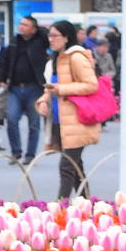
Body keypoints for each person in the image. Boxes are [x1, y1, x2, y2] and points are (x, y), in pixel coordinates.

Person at [37, 19, 100, 200]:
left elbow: (91, 85)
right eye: (49, 35)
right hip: (59, 120)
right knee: (76, 167)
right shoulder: (55, 60)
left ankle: (60, 209)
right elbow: (50, 88)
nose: (51, 39)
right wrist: (43, 100)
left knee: (66, 167)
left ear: (66, 37)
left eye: (55, 35)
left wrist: (62, 90)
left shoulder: (76, 57)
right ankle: (89, 205)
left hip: (77, 121)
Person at [0, 15, 48, 164]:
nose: (21, 27)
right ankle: (16, 152)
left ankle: (30, 154)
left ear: (33, 29)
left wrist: (38, 30)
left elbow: (46, 35)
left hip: (34, 88)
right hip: (15, 88)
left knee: (34, 124)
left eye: (26, 25)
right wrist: (1, 79)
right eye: (20, 24)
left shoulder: (39, 42)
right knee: (11, 119)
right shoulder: (14, 43)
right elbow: (5, 61)